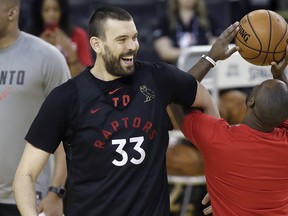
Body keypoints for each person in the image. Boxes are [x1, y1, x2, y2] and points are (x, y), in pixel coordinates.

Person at [13, 6, 239, 216]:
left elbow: (203, 98)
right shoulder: (66, 98)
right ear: (96, 44)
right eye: (121, 39)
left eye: (134, 37)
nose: (132, 46)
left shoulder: (156, 78)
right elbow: (25, 175)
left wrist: (219, 174)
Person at [182, 49, 288, 215]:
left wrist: (212, 57)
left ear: (250, 101)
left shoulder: (219, 139)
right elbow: (282, 104)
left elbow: (176, 94)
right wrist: (280, 76)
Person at [0, 0, 70, 215]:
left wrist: (56, 193)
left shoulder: (47, 57)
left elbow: (68, 133)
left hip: (30, 198)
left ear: (12, 13)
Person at [29, 0, 93, 77]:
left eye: (55, 9)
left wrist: (70, 52)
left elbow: (87, 78)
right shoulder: (31, 38)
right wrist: (39, 46)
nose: (51, 14)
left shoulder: (78, 35)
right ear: (39, 13)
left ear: (62, 11)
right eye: (46, 10)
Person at [153, 0, 217, 65]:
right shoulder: (165, 20)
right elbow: (165, 53)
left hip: (203, 67)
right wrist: (193, 53)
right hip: (174, 69)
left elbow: (216, 48)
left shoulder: (208, 20)